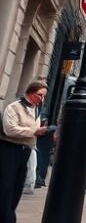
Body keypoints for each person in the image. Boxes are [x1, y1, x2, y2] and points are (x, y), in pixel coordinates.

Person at [0, 82, 52, 223]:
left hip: (26, 151)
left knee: (18, 188)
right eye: (40, 95)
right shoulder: (14, 108)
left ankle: (8, 216)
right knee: (6, 186)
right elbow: (9, 129)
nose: (42, 99)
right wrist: (34, 131)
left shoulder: (36, 110)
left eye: (44, 97)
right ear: (30, 93)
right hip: (10, 150)